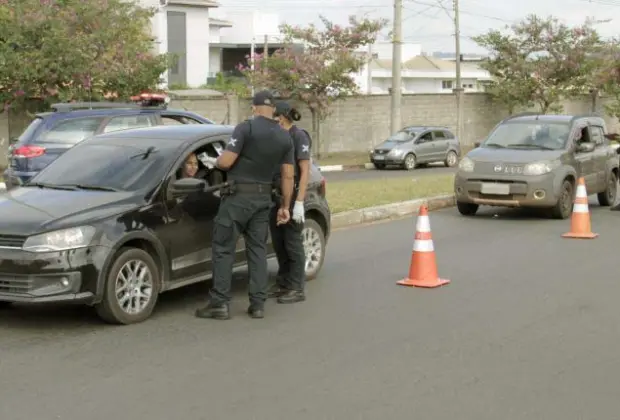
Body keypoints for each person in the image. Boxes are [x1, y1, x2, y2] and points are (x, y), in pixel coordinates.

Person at [194, 90, 295, 320]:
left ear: (254, 108)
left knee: (223, 248)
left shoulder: (245, 128)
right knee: (257, 250)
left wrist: (217, 161)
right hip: (263, 201)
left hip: (237, 199)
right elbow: (288, 175)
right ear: (274, 111)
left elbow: (227, 161)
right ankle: (258, 304)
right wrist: (285, 206)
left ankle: (219, 303)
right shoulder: (284, 137)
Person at [268, 101, 312, 304]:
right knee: (279, 242)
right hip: (276, 195)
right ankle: (283, 282)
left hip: (293, 196)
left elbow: (304, 171)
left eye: (275, 117)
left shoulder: (298, 135)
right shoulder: (277, 136)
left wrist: (299, 202)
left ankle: (297, 287)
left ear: (282, 117)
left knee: (292, 242)